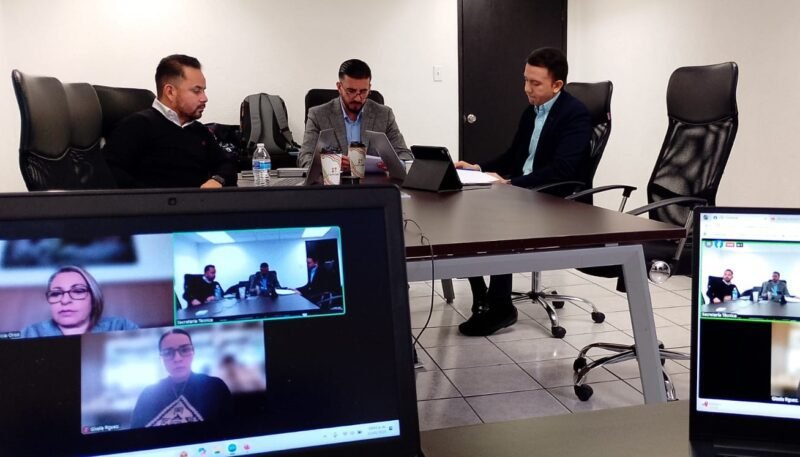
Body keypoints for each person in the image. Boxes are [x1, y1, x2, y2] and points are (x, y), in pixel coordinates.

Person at [453, 47, 592, 336]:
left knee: (500, 216)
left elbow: (563, 170)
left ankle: (501, 305)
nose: (527, 88)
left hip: (557, 198)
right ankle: (483, 296)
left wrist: (511, 184)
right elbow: (513, 156)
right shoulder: (532, 111)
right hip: (527, 190)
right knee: (466, 207)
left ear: (557, 85)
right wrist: (478, 168)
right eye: (525, 80)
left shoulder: (575, 115)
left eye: (535, 83)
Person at [104, 54, 237, 189]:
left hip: (199, 201)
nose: (204, 98)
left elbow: (226, 166)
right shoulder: (136, 126)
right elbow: (111, 174)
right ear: (170, 92)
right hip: (154, 201)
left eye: (203, 91)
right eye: (197, 91)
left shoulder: (199, 131)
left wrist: (218, 180)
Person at [297, 58, 412, 170]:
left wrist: (392, 164)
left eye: (363, 91)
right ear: (339, 87)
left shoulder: (384, 115)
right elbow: (304, 158)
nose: (357, 98)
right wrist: (331, 163)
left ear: (369, 88)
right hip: (334, 181)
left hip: (373, 181)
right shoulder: (318, 115)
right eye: (351, 91)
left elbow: (405, 156)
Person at [131, 329, 232, 428]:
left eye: (185, 350)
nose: (177, 359)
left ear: (193, 352)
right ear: (160, 358)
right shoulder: (148, 395)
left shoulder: (215, 387)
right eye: (168, 353)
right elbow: (136, 434)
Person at [21, 265, 138, 338]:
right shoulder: (29, 333)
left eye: (78, 291)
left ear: (94, 298)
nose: (65, 300)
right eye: (56, 293)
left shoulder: (121, 326)